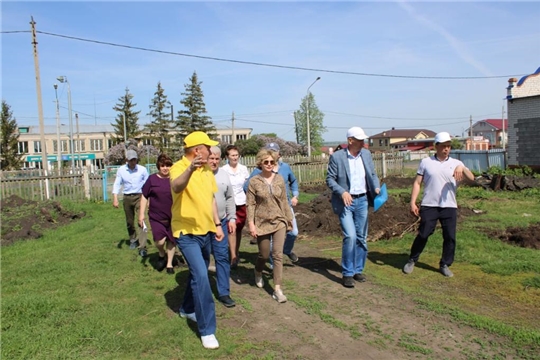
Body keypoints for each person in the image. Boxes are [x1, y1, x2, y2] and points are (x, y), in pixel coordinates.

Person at [170, 131, 224, 350]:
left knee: (196, 274)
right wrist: (190, 169)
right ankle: (207, 330)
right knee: (202, 277)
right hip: (186, 233)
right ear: (197, 150)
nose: (211, 151)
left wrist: (217, 224)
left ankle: (186, 308)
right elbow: (176, 186)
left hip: (206, 232)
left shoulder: (207, 171)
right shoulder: (179, 167)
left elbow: (210, 199)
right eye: (208, 147)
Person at [403, 132, 475, 278]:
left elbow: (472, 178)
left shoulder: (456, 163)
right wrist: (412, 202)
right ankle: (412, 259)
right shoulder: (426, 162)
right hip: (429, 205)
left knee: (450, 236)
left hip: (449, 206)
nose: (446, 149)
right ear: (436, 146)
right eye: (443, 146)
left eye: (448, 146)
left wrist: (463, 169)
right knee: (424, 233)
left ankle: (445, 264)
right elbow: (417, 183)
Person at [326, 127, 381, 288]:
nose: (363, 143)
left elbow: (372, 174)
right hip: (345, 203)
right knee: (350, 236)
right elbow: (330, 179)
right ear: (350, 141)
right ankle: (347, 273)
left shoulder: (366, 154)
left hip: (363, 200)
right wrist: (342, 192)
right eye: (360, 140)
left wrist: (376, 187)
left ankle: (358, 269)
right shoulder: (337, 157)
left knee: (361, 237)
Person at [246, 149, 293, 303]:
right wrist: (251, 225)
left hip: (279, 220)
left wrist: (289, 220)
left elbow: (284, 201)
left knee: (277, 254)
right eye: (266, 162)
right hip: (262, 222)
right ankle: (258, 270)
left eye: (272, 162)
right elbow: (250, 205)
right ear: (260, 163)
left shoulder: (279, 179)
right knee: (264, 255)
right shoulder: (254, 181)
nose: (269, 164)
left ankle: (278, 289)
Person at [244, 142, 300, 264]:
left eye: (274, 151)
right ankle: (273, 260)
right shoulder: (258, 170)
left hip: (285, 206)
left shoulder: (285, 167)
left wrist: (295, 195)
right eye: (270, 151)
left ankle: (286, 250)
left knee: (293, 232)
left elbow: (293, 181)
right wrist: (258, 200)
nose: (272, 154)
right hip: (267, 211)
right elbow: (247, 187)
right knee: (270, 238)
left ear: (279, 154)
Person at [208, 146, 237, 308]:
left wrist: (232, 218)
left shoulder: (224, 175)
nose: (214, 161)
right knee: (204, 257)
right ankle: (201, 290)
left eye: (216, 158)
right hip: (203, 224)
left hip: (222, 221)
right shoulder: (200, 175)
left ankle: (224, 292)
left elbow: (229, 198)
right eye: (211, 158)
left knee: (222, 256)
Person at [138, 153, 176, 274]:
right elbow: (144, 195)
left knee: (171, 240)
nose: (165, 168)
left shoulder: (175, 179)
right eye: (163, 165)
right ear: (158, 166)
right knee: (160, 241)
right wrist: (141, 214)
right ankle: (161, 253)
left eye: (168, 165)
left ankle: (169, 264)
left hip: (173, 217)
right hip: (157, 217)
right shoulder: (152, 179)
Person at [112, 149, 149, 256]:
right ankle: (132, 239)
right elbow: (117, 184)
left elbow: (148, 185)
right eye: (131, 160)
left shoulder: (142, 170)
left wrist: (149, 199)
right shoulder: (121, 170)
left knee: (141, 220)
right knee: (130, 221)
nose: (133, 162)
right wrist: (115, 198)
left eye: (135, 160)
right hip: (127, 197)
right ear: (127, 160)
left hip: (140, 197)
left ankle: (142, 247)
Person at [221, 145, 249, 268]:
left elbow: (248, 185)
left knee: (239, 229)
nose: (235, 157)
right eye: (232, 155)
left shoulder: (243, 169)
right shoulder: (223, 170)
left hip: (242, 202)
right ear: (227, 157)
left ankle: (236, 252)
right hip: (229, 203)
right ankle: (233, 256)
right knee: (231, 229)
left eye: (236, 155)